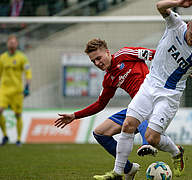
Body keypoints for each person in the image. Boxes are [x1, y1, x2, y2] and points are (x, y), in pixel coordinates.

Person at [94, 0, 192, 179]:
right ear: (188, 26)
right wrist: (179, 2)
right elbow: (160, 6)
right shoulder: (175, 25)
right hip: (149, 85)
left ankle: (176, 152)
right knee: (127, 125)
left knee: (151, 138)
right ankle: (118, 172)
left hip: (170, 95)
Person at [54, 38, 159, 180]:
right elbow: (100, 104)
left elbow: (157, 55)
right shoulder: (109, 79)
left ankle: (148, 144)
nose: (97, 63)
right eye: (93, 61)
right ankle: (129, 168)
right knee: (100, 133)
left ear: (107, 52)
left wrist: (177, 70)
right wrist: (75, 115)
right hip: (136, 107)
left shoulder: (125, 54)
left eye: (98, 58)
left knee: (139, 112)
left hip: (153, 100)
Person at [0, 34, 32, 146]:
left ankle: (18, 139)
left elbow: (28, 73)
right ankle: (5, 136)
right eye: (10, 42)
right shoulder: (2, 58)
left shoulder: (22, 57)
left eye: (14, 42)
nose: (12, 44)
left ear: (17, 44)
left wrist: (27, 86)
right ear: (7, 44)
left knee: (18, 115)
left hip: (17, 91)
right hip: (4, 90)